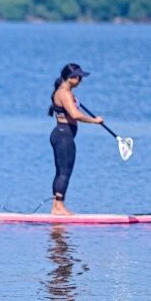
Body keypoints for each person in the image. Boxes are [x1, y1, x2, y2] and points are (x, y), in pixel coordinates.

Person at [48, 63, 103, 215]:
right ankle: (59, 207)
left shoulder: (65, 92)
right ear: (71, 78)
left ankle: (56, 206)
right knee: (65, 172)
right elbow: (75, 114)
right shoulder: (64, 93)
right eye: (79, 77)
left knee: (61, 171)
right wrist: (94, 121)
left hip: (61, 134)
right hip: (63, 136)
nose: (81, 80)